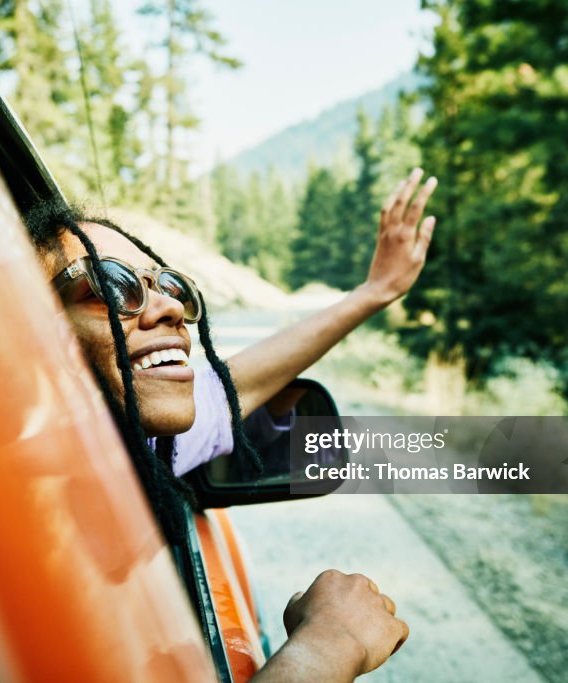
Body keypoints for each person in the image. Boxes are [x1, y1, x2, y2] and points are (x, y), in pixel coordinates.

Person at [26, 167, 437, 680]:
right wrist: (331, 646)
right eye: (110, 287)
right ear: (26, 333)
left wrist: (377, 291)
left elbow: (241, 383)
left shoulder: (137, 441)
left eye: (170, 285)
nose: (169, 307)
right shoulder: (10, 519)